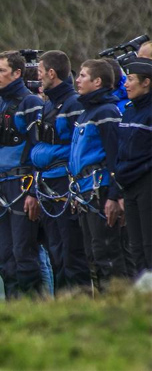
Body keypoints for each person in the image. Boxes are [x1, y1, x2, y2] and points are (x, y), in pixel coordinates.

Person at [31, 50, 90, 291]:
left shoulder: (74, 103)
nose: (38, 79)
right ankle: (63, 302)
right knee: (55, 250)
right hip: (46, 183)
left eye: (40, 73)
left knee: (71, 250)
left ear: (51, 73)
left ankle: (79, 302)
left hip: (64, 184)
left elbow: (79, 146)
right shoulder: (48, 104)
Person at [0, 50, 44, 298]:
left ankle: (33, 309)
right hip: (0, 186)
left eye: (1, 70)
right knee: (4, 256)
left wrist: (33, 191)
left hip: (21, 185)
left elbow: (37, 148)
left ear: (17, 73)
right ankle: (12, 311)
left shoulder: (30, 103)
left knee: (24, 254)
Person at [70, 59, 127, 291]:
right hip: (84, 192)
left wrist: (114, 195)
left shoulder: (106, 112)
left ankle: (119, 305)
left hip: (101, 191)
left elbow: (116, 156)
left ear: (98, 81)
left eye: (83, 76)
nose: (77, 80)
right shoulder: (86, 112)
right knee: (93, 254)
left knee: (108, 253)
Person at [116, 57, 152, 273]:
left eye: (130, 79)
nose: (126, 84)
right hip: (128, 184)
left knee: (149, 245)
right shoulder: (129, 109)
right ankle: (142, 298)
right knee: (135, 246)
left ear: (146, 82)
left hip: (146, 182)